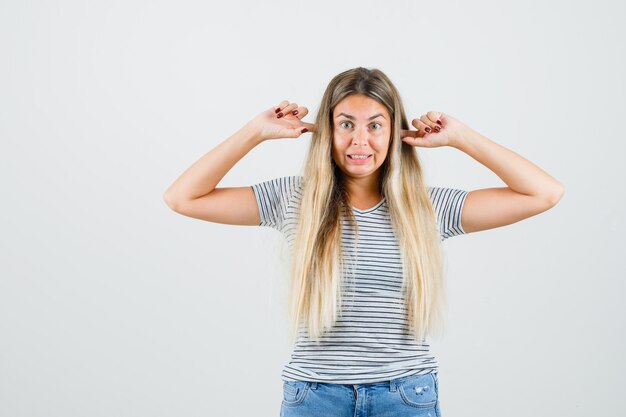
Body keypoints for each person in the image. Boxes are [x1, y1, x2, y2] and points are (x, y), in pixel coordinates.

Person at [163, 67, 564, 417]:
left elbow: (543, 193)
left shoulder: (427, 207)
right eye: (345, 124)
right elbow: (182, 197)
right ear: (327, 130)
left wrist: (461, 137)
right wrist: (254, 133)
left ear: (394, 133)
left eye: (374, 125)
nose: (359, 141)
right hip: (314, 398)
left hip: (405, 397)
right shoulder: (293, 198)